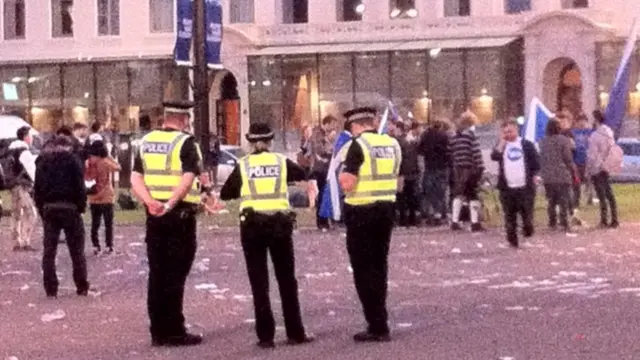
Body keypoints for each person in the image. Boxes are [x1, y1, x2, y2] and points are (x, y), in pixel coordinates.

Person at [219, 122, 315, 349]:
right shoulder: (280, 162)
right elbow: (303, 173)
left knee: (259, 281)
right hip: (280, 225)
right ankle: (295, 332)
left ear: (251, 143)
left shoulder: (244, 164)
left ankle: (265, 336)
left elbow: (226, 193)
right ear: (271, 142)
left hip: (252, 226)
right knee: (286, 280)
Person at [130, 100, 212, 347]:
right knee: (176, 273)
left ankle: (158, 331)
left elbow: (136, 177)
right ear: (183, 119)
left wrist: (151, 203)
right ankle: (175, 330)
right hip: (179, 217)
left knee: (157, 273)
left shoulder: (145, 142)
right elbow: (188, 177)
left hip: (154, 218)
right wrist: (169, 204)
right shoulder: (186, 143)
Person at [338, 107, 401, 342]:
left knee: (363, 269)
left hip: (361, 211)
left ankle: (376, 324)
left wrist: (340, 176)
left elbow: (347, 183)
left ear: (356, 126)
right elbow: (399, 178)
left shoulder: (358, 145)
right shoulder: (392, 144)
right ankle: (380, 320)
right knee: (379, 265)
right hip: (386, 208)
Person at [33, 135, 90, 298]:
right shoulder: (73, 161)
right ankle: (81, 285)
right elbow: (80, 186)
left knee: (49, 251)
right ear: (68, 146)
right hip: (70, 207)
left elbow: (38, 188)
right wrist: (81, 206)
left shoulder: (43, 161)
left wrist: (41, 208)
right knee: (77, 250)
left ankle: (51, 288)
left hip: (50, 207)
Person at [490, 120, 540, 248]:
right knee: (509, 215)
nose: (508, 134)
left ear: (516, 131)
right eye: (505, 132)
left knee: (527, 214)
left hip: (525, 186)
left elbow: (535, 162)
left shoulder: (526, 145)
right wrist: (501, 142)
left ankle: (528, 231)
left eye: (510, 131)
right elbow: (494, 156)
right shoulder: (502, 145)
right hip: (507, 187)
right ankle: (512, 240)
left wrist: (535, 175)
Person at [449, 111, 485, 232]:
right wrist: (480, 167)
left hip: (458, 169)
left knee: (459, 193)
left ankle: (455, 221)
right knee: (472, 194)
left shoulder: (453, 137)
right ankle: (475, 223)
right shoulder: (470, 135)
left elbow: (451, 153)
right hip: (470, 168)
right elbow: (476, 152)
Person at [539, 119, 577, 235]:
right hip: (562, 174)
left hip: (548, 175)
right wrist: (572, 170)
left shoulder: (542, 142)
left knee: (551, 200)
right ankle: (564, 222)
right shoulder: (564, 141)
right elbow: (567, 158)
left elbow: (542, 158)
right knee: (563, 200)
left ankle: (552, 222)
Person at [86, 140, 121, 255]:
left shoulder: (89, 162)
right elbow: (118, 167)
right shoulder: (106, 161)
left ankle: (96, 246)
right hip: (106, 196)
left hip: (93, 196)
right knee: (108, 224)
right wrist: (109, 156)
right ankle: (108, 246)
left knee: (95, 223)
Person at [587, 110, 619, 228]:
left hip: (597, 166)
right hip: (607, 165)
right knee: (609, 193)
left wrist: (589, 168)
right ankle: (614, 219)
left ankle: (604, 219)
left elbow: (592, 155)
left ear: (595, 120)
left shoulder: (595, 136)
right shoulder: (610, 133)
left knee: (601, 195)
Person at [8, 126, 38, 251]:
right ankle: (26, 241)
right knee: (30, 213)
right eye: (30, 136)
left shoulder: (10, 150)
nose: (31, 138)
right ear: (25, 137)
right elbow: (32, 172)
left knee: (16, 214)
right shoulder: (24, 152)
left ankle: (16, 241)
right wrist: (37, 184)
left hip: (12, 185)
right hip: (23, 186)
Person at [418, 120, 450, 225]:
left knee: (429, 192)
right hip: (442, 167)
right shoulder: (444, 136)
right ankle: (439, 214)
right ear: (440, 125)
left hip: (430, 167)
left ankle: (430, 214)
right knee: (440, 192)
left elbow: (420, 150)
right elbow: (449, 151)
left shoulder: (425, 135)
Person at [310, 115, 338, 230]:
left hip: (327, 169)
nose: (334, 128)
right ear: (327, 123)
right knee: (322, 194)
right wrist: (330, 142)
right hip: (321, 169)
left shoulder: (323, 135)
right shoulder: (318, 134)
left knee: (326, 194)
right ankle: (321, 221)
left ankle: (326, 219)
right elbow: (320, 151)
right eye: (332, 125)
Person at [395, 121, 420, 227]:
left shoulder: (398, 141)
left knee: (401, 197)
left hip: (402, 173)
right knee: (411, 197)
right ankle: (412, 220)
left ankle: (402, 221)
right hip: (412, 173)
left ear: (398, 129)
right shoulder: (412, 141)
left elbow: (398, 158)